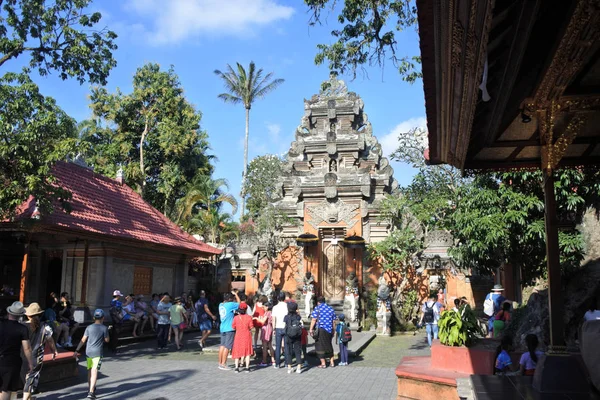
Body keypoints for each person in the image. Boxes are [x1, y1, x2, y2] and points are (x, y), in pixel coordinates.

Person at [22, 303, 58, 400]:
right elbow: (50, 340)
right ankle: (25, 398)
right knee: (31, 377)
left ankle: (29, 397)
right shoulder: (44, 327)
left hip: (22, 355)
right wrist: (54, 351)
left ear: (28, 315)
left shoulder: (21, 326)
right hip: (36, 356)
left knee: (27, 376)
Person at [0, 302, 34, 400]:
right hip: (11, 362)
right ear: (20, 315)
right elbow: (27, 348)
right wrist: (31, 363)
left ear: (9, 313)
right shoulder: (22, 329)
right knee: (5, 389)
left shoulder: (1, 324)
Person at [74, 309, 109, 399]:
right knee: (94, 371)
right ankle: (91, 392)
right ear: (103, 318)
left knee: (89, 370)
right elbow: (107, 340)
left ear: (94, 318)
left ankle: (90, 388)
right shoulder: (104, 328)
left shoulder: (89, 327)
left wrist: (77, 350)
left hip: (88, 352)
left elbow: (83, 340)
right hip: (98, 352)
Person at [309, 296, 337, 368]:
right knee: (329, 345)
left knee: (319, 346)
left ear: (318, 302)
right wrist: (334, 330)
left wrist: (311, 329)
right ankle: (332, 362)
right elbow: (334, 321)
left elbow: (314, 319)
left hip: (321, 330)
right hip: (329, 329)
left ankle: (323, 363)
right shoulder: (330, 308)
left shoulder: (317, 308)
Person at [218, 290, 240, 370]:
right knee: (227, 346)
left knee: (222, 345)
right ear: (230, 298)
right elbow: (240, 304)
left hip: (222, 327)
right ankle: (224, 364)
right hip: (229, 328)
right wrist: (236, 295)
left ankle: (220, 363)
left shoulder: (221, 305)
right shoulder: (230, 305)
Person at [231, 302, 253, 373]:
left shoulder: (236, 318)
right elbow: (251, 327)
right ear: (246, 309)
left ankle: (236, 368)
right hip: (246, 335)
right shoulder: (249, 317)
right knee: (247, 352)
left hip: (238, 335)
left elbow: (233, 327)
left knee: (237, 351)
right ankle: (247, 367)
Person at [284, 301, 303, 374]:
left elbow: (285, 324)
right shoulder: (298, 316)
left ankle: (289, 367)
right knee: (298, 350)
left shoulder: (286, 317)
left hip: (288, 335)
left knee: (289, 351)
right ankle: (299, 367)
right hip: (297, 334)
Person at [272, 291, 288, 368]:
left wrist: (273, 328)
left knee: (278, 346)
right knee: (286, 345)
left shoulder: (275, 307)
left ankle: (277, 363)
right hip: (286, 327)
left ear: (278, 298)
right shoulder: (287, 306)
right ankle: (287, 363)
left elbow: (273, 319)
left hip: (278, 327)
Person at [259, 302, 275, 367]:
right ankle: (273, 359)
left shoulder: (267, 313)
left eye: (264, 307)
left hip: (266, 329)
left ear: (267, 307)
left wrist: (257, 319)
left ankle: (264, 360)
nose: (263, 308)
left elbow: (263, 321)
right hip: (270, 328)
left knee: (265, 346)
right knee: (270, 345)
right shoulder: (271, 313)